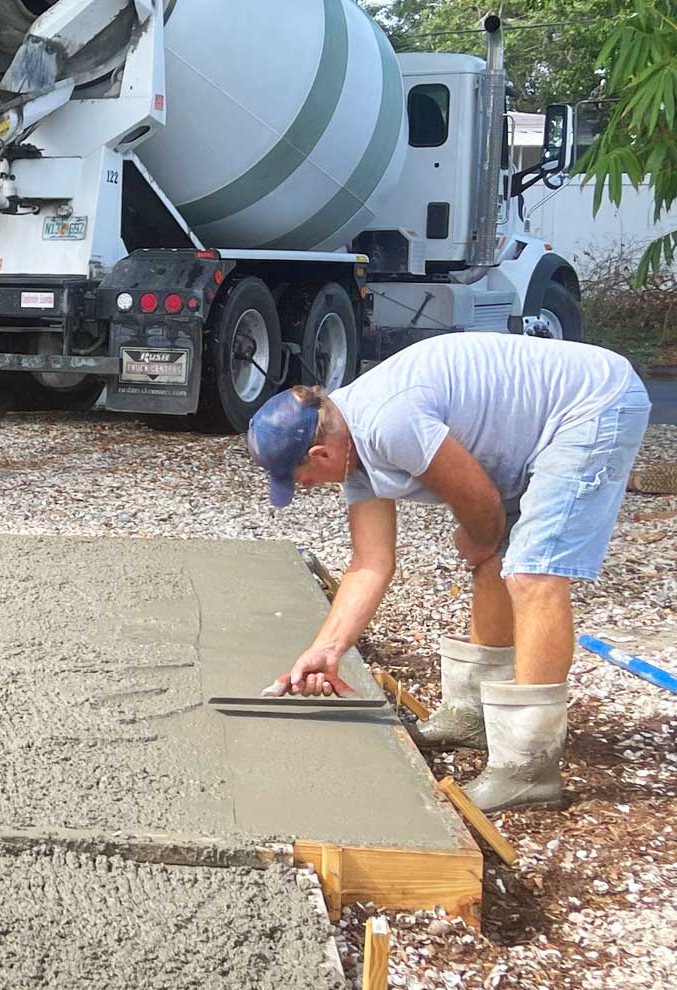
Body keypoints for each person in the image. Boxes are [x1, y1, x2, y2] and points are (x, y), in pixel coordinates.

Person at [247, 331, 651, 813]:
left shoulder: (387, 421)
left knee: (533, 572)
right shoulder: (351, 448)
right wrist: (325, 649)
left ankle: (529, 766)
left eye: (300, 480)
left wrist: (478, 538)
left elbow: (480, 503)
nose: (307, 488)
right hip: (533, 424)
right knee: (496, 558)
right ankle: (471, 715)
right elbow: (370, 564)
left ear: (320, 456)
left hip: (591, 403)